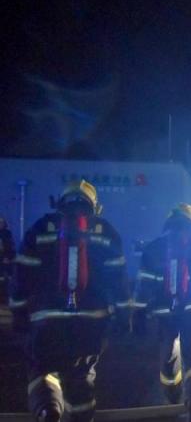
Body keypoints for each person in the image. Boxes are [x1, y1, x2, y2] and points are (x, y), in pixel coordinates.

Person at [10, 180, 130, 422]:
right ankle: (81, 414)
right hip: (91, 325)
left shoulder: (41, 229)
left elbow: (22, 275)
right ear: (94, 206)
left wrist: (19, 313)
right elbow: (119, 282)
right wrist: (123, 317)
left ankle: (49, 409)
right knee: (82, 377)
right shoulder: (106, 232)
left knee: (42, 369)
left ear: (61, 202)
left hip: (47, 323)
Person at [133, 203, 191, 422]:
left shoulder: (153, 249)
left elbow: (143, 286)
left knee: (168, 357)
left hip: (164, 313)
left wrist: (138, 314)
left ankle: (173, 398)